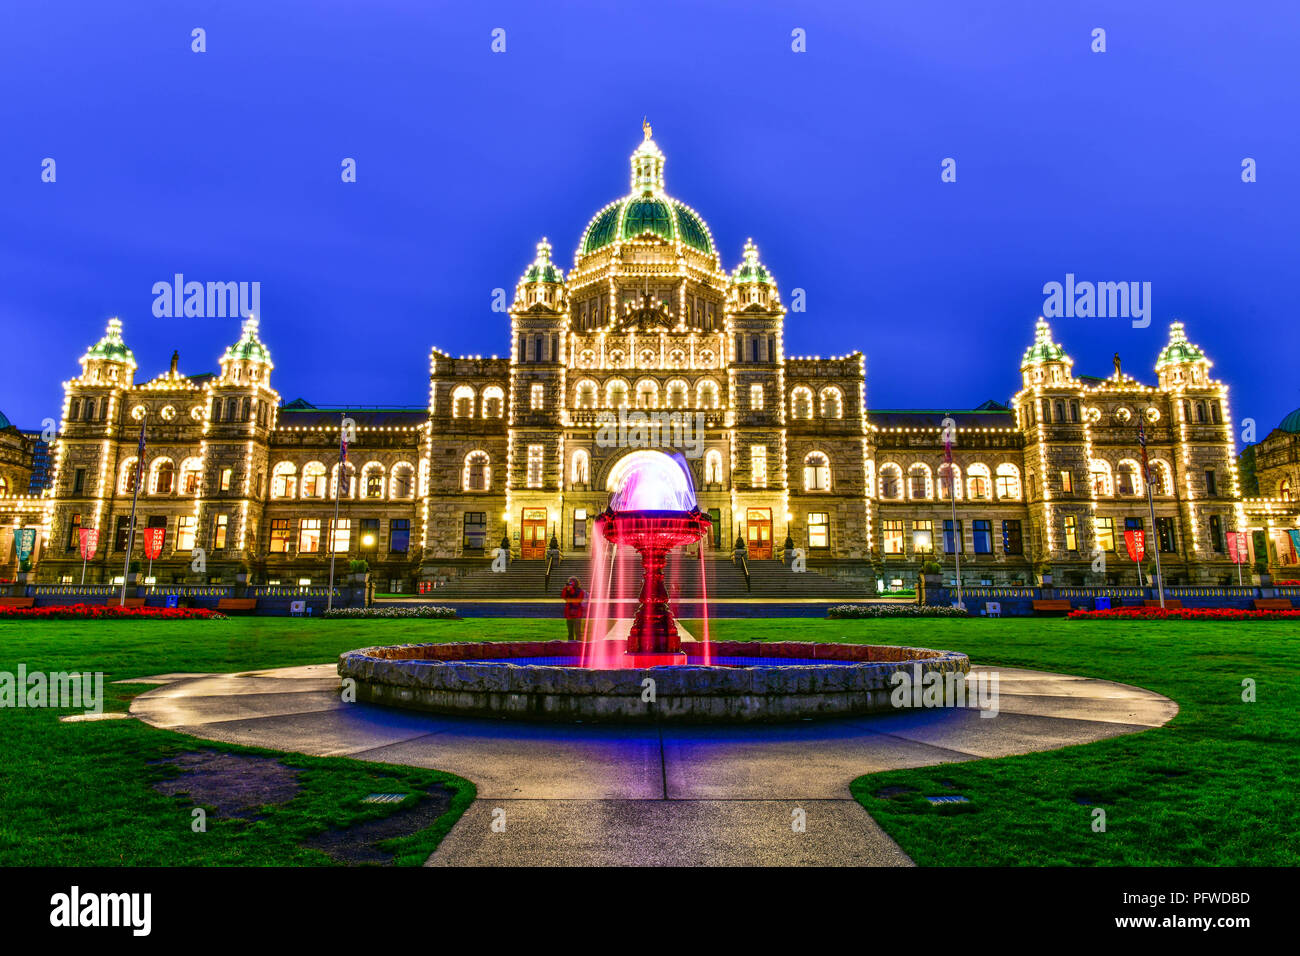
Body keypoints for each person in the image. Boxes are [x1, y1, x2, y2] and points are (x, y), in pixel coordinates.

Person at [561, 576, 587, 641]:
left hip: (577, 613)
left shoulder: (580, 591)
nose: (570, 584)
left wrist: (571, 590)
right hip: (569, 613)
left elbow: (578, 600)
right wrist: (567, 590)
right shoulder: (567, 590)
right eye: (569, 582)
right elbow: (564, 597)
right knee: (570, 631)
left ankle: (579, 645)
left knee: (578, 631)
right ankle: (570, 645)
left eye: (572, 582)